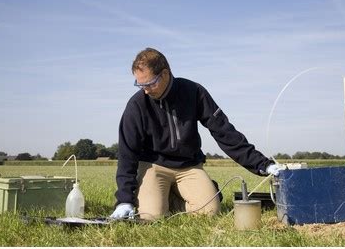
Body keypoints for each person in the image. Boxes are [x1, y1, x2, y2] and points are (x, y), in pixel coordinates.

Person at [110, 47, 283, 220]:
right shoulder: (137, 104)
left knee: (209, 212)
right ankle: (158, 198)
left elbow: (224, 132)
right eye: (140, 84)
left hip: (188, 165)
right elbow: (127, 154)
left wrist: (263, 164)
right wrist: (124, 200)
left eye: (150, 83)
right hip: (154, 166)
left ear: (165, 74)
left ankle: (185, 194)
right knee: (151, 216)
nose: (146, 90)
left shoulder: (194, 92)